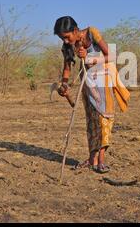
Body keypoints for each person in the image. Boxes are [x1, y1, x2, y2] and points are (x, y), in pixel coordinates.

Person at [54, 16, 130, 174]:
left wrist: (88, 57)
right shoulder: (67, 46)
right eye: (62, 38)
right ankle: (91, 159)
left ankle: (101, 159)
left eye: (67, 37)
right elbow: (67, 68)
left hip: (103, 82)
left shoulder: (91, 33)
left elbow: (111, 56)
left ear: (75, 30)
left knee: (104, 120)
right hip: (87, 85)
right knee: (92, 121)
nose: (66, 41)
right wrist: (64, 84)